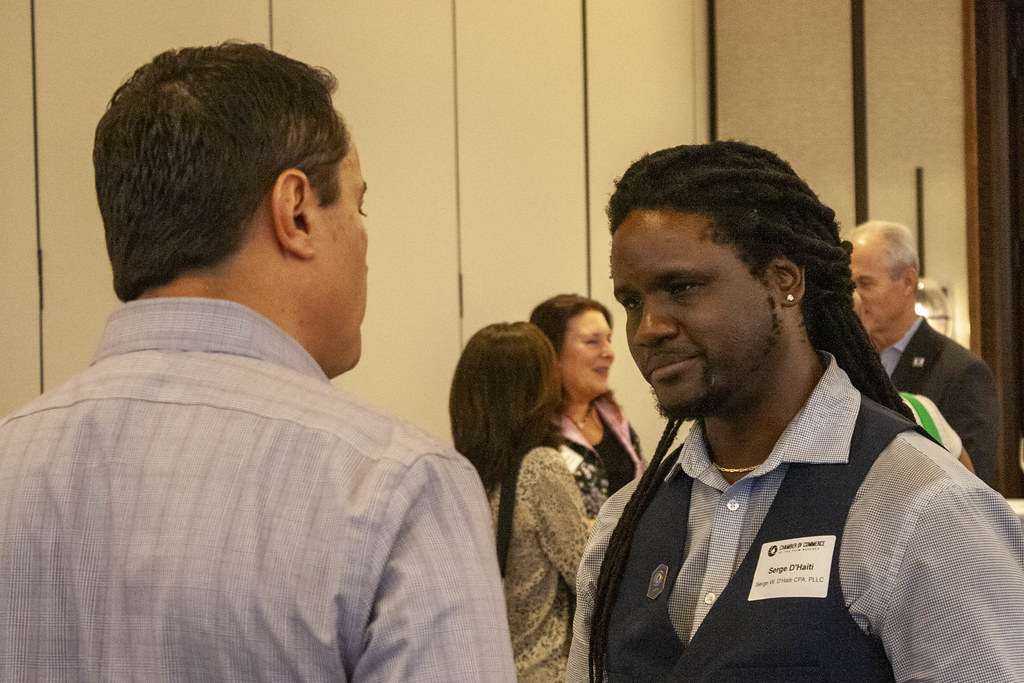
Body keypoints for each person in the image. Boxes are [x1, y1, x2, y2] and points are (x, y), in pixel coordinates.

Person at [0, 43, 516, 681]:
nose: (363, 238)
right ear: (295, 211)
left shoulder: (12, 460)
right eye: (358, 205)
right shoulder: (394, 487)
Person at [565, 142, 1024, 682]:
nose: (649, 329)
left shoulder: (920, 506)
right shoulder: (624, 524)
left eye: (682, 288)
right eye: (632, 302)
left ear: (784, 280)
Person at [449, 322, 591, 682]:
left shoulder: (458, 474)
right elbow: (590, 578)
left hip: (484, 669)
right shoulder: (541, 468)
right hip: (545, 671)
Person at [848, 219, 999, 485]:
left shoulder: (961, 370)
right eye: (849, 286)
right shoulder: (845, 362)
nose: (855, 297)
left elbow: (973, 485)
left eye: (865, 283)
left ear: (908, 281)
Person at [530, 295, 644, 518]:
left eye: (609, 340)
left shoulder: (612, 416)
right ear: (552, 352)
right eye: (592, 341)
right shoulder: (533, 430)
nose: (609, 353)